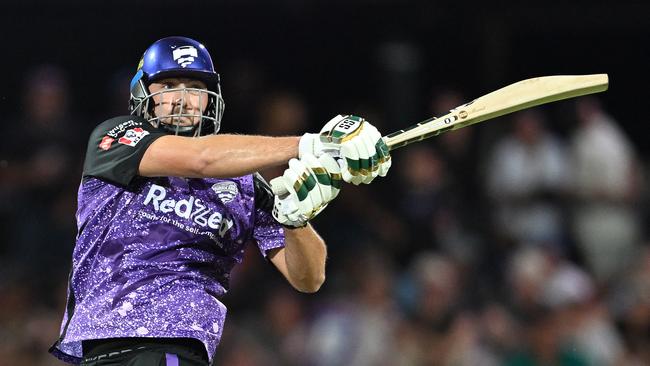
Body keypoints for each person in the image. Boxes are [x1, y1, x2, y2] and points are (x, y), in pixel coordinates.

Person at [49, 36, 391, 365]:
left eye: (195, 88)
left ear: (210, 98)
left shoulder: (246, 185)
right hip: (98, 349)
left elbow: (309, 277)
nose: (183, 98)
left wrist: (296, 221)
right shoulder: (116, 137)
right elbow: (201, 159)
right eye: (169, 86)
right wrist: (315, 143)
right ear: (143, 93)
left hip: (172, 348)